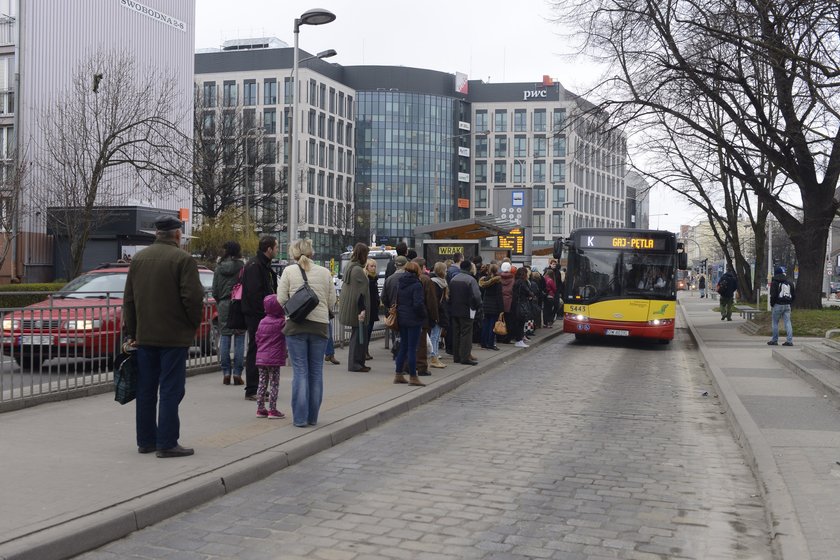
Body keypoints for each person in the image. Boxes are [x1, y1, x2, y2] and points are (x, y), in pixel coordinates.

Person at [123, 215, 204, 458]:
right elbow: (193, 299)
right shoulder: (183, 259)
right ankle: (167, 442)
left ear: (156, 233)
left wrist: (133, 333)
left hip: (145, 336)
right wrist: (191, 326)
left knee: (146, 389)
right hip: (173, 337)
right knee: (171, 389)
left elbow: (129, 300)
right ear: (178, 235)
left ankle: (146, 441)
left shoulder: (138, 259)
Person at [277, 238, 337, 428]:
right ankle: (313, 417)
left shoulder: (288, 271)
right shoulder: (325, 272)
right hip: (320, 326)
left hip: (296, 326)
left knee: (300, 372)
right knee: (316, 372)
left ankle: (300, 418)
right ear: (312, 253)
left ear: (294, 254)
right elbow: (332, 300)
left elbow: (281, 299)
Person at [241, 236, 278, 400]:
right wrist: (265, 312)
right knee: (255, 349)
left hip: (260, 314)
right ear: (269, 249)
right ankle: (252, 389)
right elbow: (255, 294)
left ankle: (259, 387)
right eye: (276, 247)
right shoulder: (256, 266)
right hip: (257, 315)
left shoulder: (262, 265)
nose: (277, 250)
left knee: (260, 350)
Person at [212, 241, 245, 386]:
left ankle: (226, 372)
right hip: (239, 303)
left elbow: (215, 290)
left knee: (225, 336)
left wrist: (220, 301)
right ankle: (237, 373)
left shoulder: (219, 267)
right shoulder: (242, 266)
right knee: (239, 336)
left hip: (224, 304)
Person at [338, 243, 371, 372]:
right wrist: (362, 310)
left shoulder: (350, 267)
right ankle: (356, 364)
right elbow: (360, 293)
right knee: (358, 337)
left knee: (357, 336)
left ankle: (358, 363)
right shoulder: (357, 270)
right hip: (357, 309)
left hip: (351, 307)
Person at [393, 261, 427, 386]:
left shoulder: (400, 282)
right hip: (413, 319)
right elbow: (418, 304)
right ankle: (413, 376)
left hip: (402, 318)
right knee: (413, 349)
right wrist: (423, 314)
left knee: (403, 347)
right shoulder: (417, 284)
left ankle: (398, 374)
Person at [254, 294, 287, 419]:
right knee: (274, 383)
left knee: (262, 383)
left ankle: (260, 408)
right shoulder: (281, 322)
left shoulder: (262, 322)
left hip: (261, 357)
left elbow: (257, 338)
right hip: (274, 359)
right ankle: (272, 409)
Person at [449, 259, 482, 365]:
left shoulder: (453, 279)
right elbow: (477, 296)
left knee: (456, 333)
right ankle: (465, 357)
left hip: (454, 310)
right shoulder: (471, 280)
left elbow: (449, 294)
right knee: (466, 334)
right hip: (467, 310)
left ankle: (456, 356)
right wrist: (478, 306)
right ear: (469, 268)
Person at [410, 257, 438, 376]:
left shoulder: (405, 279)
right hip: (422, 316)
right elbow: (431, 301)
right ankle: (421, 366)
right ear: (422, 267)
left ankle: (408, 365)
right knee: (422, 343)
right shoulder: (426, 280)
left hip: (407, 316)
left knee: (409, 343)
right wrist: (434, 316)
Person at [768, 266, 796, 346]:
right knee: (788, 322)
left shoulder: (775, 282)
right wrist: (790, 302)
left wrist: (772, 304)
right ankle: (789, 341)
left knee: (775, 323)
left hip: (778, 304)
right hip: (787, 305)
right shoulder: (789, 282)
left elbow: (773, 295)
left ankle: (774, 340)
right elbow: (793, 294)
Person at [429, 261, 448, 368]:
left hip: (439, 313)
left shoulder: (440, 282)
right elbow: (435, 302)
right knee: (435, 336)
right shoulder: (437, 283)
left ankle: (435, 356)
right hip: (438, 313)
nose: (446, 272)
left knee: (436, 336)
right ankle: (433, 357)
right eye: (445, 270)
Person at [479, 263, 503, 350]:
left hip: (486, 304)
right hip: (494, 305)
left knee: (485, 324)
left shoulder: (485, 280)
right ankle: (490, 343)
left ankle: (483, 342)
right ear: (496, 271)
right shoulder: (497, 282)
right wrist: (501, 309)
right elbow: (499, 296)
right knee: (492, 326)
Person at [512, 267, 534, 347]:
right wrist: (531, 295)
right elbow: (528, 292)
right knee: (520, 323)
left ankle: (519, 340)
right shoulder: (522, 282)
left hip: (516, 304)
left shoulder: (516, 281)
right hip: (521, 304)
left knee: (518, 323)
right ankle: (519, 340)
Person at [364, 258, 380, 361]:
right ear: (367, 267)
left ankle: (366, 350)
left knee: (369, 331)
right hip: (368, 307)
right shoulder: (367, 279)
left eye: (374, 266)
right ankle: (364, 351)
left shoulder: (374, 278)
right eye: (371, 266)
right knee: (367, 330)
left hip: (373, 307)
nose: (373, 268)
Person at [499, 261, 515, 343]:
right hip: (509, 302)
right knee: (509, 321)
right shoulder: (512, 279)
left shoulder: (498, 278)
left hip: (500, 302)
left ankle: (499, 336)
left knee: (500, 320)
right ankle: (508, 337)